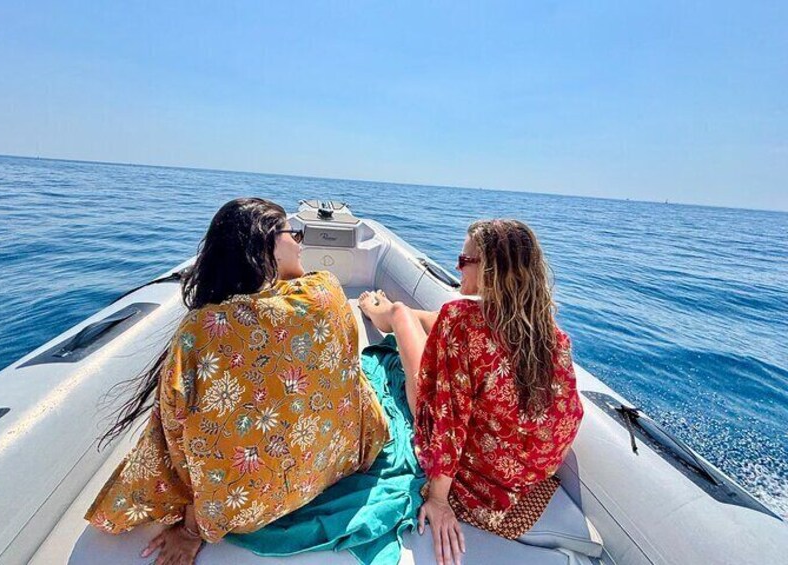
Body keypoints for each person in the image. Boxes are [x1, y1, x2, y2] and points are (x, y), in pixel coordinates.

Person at [86, 197, 389, 565]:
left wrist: (191, 529)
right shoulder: (324, 293)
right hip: (342, 460)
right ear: (265, 245)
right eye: (293, 234)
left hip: (246, 510)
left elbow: (180, 435)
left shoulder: (201, 330)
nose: (300, 242)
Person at [360, 219, 583, 565]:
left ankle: (375, 308)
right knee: (438, 319)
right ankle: (386, 309)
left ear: (491, 269)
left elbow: (449, 420)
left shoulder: (461, 321)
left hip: (469, 466)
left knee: (403, 316)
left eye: (464, 260)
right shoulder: (553, 336)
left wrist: (438, 500)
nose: (457, 267)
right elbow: (570, 417)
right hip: (515, 474)